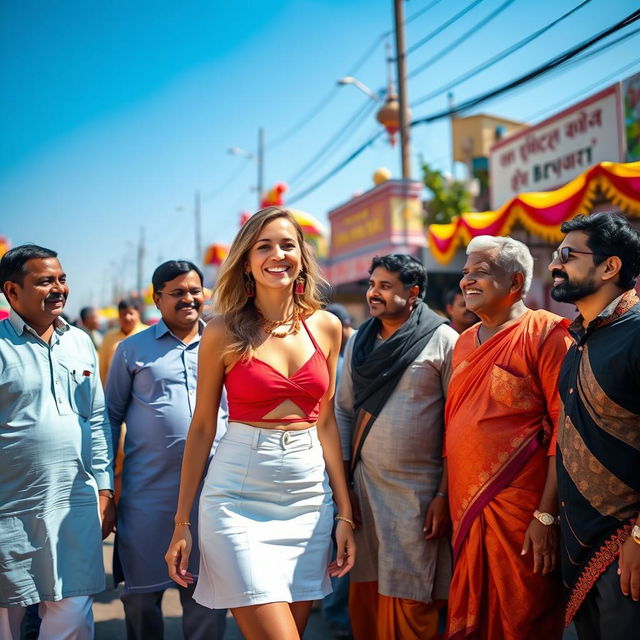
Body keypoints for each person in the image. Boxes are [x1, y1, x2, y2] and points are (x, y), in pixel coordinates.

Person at [165, 206, 355, 640]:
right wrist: (182, 523)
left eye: (288, 244)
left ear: (302, 256)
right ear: (247, 261)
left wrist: (345, 513)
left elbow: (326, 422)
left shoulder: (326, 327)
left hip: (309, 496)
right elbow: (201, 429)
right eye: (263, 246)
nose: (278, 254)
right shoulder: (220, 331)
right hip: (237, 494)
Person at [445, 235, 573, 640]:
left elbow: (565, 431)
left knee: (523, 618)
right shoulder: (464, 342)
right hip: (465, 506)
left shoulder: (548, 334)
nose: (467, 281)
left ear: (515, 282)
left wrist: (546, 516)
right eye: (466, 272)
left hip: (522, 512)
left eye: (480, 272)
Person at [336, 254, 457, 640]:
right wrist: (344, 489)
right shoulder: (360, 340)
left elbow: (457, 425)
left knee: (412, 595)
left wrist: (443, 492)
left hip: (419, 497)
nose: (374, 293)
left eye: (385, 286)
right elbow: (342, 413)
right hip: (365, 491)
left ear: (414, 292)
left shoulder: (443, 339)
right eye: (372, 285)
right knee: (366, 591)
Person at [106, 261, 227, 640]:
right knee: (141, 600)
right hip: (147, 497)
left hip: (212, 496)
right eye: (177, 293)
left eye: (195, 290)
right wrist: (107, 487)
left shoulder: (225, 342)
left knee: (207, 598)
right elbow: (109, 418)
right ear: (157, 299)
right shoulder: (131, 351)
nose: (189, 299)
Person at [0, 244, 114, 639]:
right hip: (11, 504)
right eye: (45, 281)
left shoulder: (80, 342)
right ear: (12, 292)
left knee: (74, 608)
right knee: (7, 610)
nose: (59, 288)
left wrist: (105, 488)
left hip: (74, 501)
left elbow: (96, 418)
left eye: (61, 279)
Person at [548, 212, 640, 638]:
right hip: (578, 547)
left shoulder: (636, 333)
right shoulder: (578, 342)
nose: (554, 264)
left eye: (567, 254)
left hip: (627, 552)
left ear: (609, 266)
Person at [323, 303, 356, 639]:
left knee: (339, 539)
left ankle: (334, 611)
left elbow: (331, 421)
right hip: (322, 467)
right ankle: (334, 612)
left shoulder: (347, 357)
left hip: (332, 467)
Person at [98, 298, 146, 386]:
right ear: (119, 316)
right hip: (115, 389)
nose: (127, 317)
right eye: (123, 314)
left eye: (131, 313)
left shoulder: (147, 333)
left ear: (138, 314)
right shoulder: (109, 336)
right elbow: (102, 366)